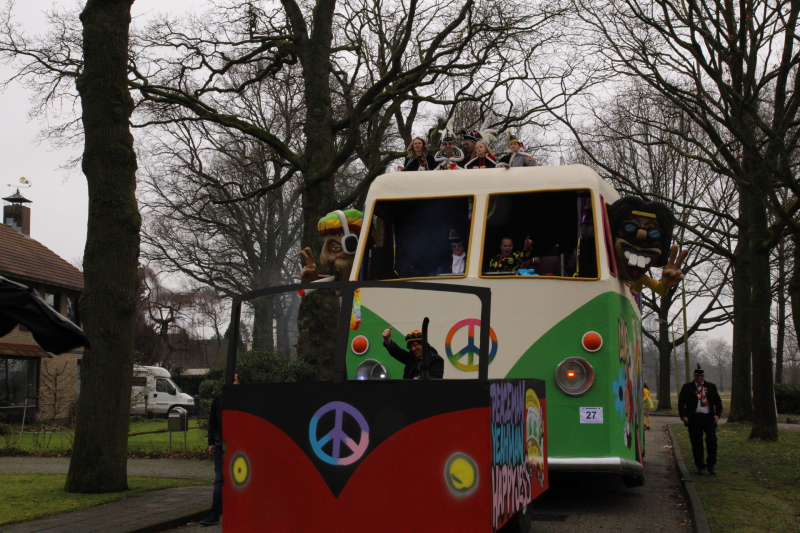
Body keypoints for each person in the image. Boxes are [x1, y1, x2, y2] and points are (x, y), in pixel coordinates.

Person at [201, 373, 240, 526]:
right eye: (230, 379)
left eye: (234, 379)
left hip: (236, 447)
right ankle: (215, 513)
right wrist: (211, 442)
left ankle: (233, 512)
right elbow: (213, 420)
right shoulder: (219, 397)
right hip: (220, 444)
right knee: (219, 480)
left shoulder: (241, 398)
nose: (231, 382)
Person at [678, 364, 723, 475]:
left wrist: (717, 415)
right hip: (694, 419)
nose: (700, 378)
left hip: (708, 418)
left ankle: (711, 465)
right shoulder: (687, 387)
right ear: (694, 376)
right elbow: (681, 403)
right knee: (696, 443)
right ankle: (700, 466)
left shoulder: (711, 386)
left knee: (712, 440)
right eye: (698, 375)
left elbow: (718, 402)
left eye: (702, 376)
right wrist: (684, 416)